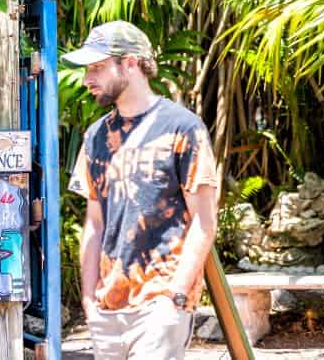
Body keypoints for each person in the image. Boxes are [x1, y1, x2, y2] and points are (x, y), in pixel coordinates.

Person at [64, 21, 218, 360]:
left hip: (160, 305)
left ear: (130, 63)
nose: (88, 78)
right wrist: (90, 301)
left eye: (98, 67)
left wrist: (175, 296)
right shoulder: (95, 137)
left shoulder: (182, 127)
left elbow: (204, 222)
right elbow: (94, 224)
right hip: (108, 309)